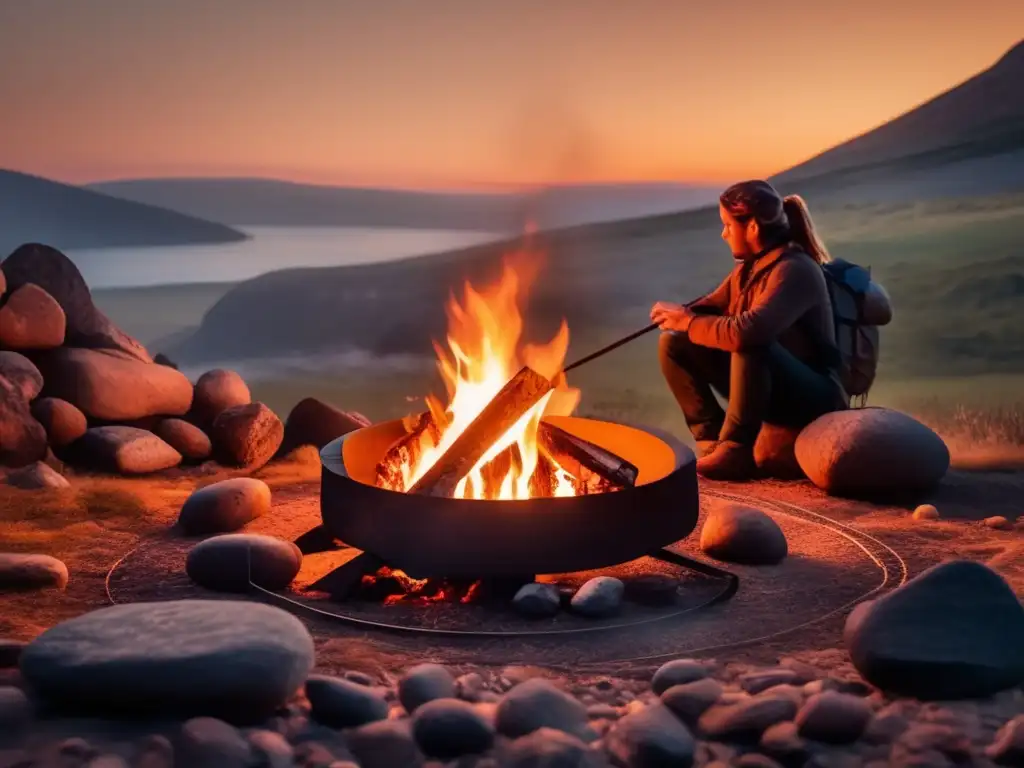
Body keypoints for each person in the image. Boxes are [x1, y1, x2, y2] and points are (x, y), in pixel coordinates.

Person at [650, 180, 848, 481]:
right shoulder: (750, 269)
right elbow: (713, 306)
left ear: (752, 227)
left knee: (750, 342)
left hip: (814, 395)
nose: (724, 233)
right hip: (773, 389)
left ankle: (737, 449)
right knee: (674, 343)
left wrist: (689, 321)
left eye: (728, 225)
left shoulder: (794, 270)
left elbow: (748, 332)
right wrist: (680, 316)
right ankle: (711, 442)